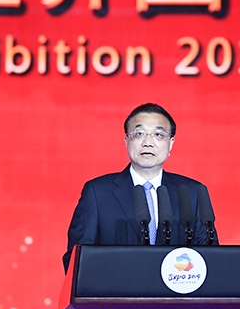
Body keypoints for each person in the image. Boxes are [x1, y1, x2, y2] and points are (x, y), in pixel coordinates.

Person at [62, 103, 218, 272]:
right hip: (117, 287)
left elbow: (209, 257)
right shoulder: (98, 193)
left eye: (158, 135)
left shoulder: (191, 193)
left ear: (171, 143)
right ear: (127, 141)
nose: (148, 143)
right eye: (139, 134)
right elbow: (77, 259)